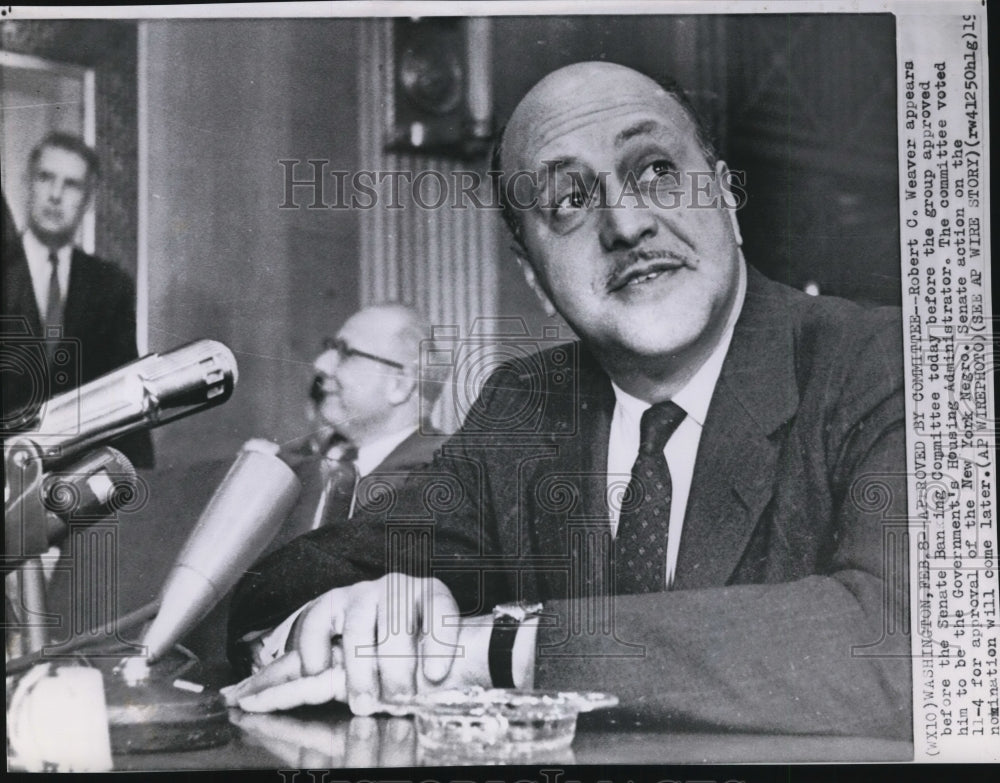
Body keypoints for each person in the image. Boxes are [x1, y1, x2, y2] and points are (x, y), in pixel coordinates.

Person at [224, 62, 909, 739]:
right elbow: (284, 584)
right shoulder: (525, 409)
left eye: (657, 171)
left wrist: (506, 647)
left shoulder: (883, 362)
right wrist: (380, 611)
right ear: (535, 277)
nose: (627, 222)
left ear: (727, 199)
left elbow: (917, 642)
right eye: (569, 200)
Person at [227, 303, 447, 674]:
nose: (322, 364)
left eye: (345, 352)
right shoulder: (289, 460)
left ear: (401, 384)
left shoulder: (442, 476)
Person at [1, 133, 153, 468]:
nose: (55, 195)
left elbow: (126, 393)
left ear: (88, 199)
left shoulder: (111, 287)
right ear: (28, 183)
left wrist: (138, 482)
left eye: (71, 185)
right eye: (45, 178)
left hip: (76, 486)